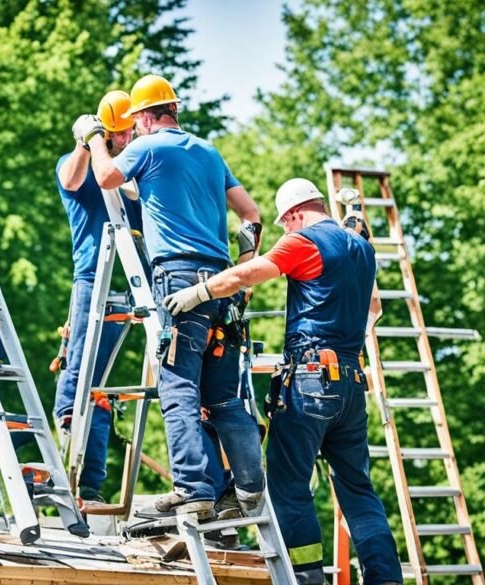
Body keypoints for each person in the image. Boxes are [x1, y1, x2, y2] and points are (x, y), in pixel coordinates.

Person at [161, 178, 404, 585]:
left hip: (310, 382)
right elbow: (373, 308)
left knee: (289, 488)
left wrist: (199, 292)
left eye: (284, 224)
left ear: (294, 214)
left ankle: (307, 578)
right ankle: (386, 578)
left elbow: (247, 275)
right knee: (359, 492)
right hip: (350, 385)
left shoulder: (304, 242)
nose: (284, 233)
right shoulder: (361, 249)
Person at [83, 74, 267, 518]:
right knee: (223, 396)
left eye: (135, 121)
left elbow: (107, 176)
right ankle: (249, 490)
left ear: (144, 117)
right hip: (222, 282)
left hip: (179, 279)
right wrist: (243, 273)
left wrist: (92, 137)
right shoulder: (207, 151)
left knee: (179, 386)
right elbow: (252, 216)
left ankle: (193, 490)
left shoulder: (148, 146)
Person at [55, 90, 142, 503]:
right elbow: (70, 180)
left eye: (130, 132)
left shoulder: (134, 161)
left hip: (135, 278)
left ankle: (91, 483)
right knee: (79, 369)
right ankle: (68, 449)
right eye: (119, 134)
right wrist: (85, 143)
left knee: (102, 385)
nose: (126, 140)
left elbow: (137, 196)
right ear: (105, 134)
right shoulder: (84, 163)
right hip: (94, 276)